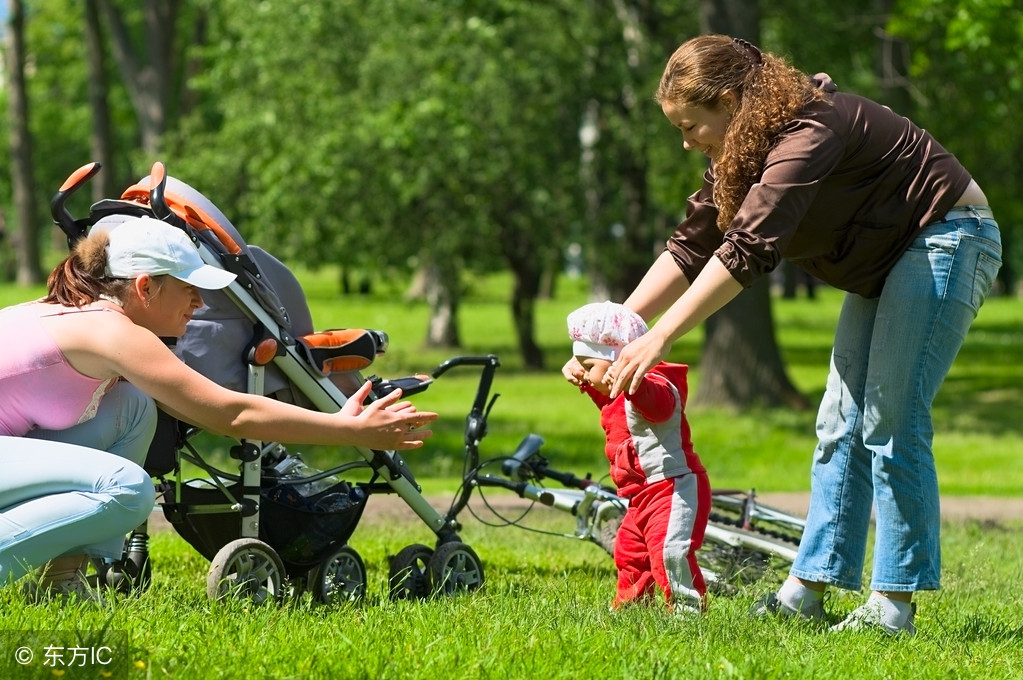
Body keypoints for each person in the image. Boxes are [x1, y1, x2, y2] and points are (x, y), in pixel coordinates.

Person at [578, 34, 1002, 635]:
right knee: (838, 422)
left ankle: (893, 605)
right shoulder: (742, 153)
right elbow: (693, 244)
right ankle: (809, 587)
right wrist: (613, 334)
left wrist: (662, 335)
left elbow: (750, 248)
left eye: (690, 125)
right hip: (887, 261)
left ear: (730, 102)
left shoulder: (809, 131)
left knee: (891, 417)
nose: (686, 141)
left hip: (948, 234)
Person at [1, 216, 437, 601]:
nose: (199, 302)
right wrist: (348, 429)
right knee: (129, 490)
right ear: (145, 287)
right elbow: (232, 413)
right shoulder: (112, 332)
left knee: (132, 408)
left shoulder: (82, 312)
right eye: (189, 288)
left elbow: (203, 409)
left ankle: (61, 580)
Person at [565, 301, 710, 614]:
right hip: (640, 497)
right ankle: (632, 609)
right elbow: (614, 404)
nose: (586, 373)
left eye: (589, 366)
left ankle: (688, 612)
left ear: (618, 362)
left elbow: (659, 407)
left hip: (670, 488)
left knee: (669, 552)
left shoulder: (655, 384)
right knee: (630, 553)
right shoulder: (620, 392)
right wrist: (585, 379)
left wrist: (635, 381)